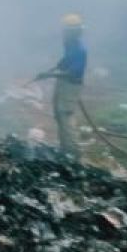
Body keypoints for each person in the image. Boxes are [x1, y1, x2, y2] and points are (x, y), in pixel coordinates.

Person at [36, 14, 88, 161]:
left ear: (74, 31)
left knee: (66, 115)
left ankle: (74, 153)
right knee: (59, 114)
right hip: (63, 83)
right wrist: (52, 70)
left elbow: (73, 73)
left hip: (71, 85)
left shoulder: (80, 49)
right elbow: (65, 62)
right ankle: (65, 149)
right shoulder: (69, 43)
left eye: (66, 30)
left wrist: (51, 75)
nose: (63, 33)